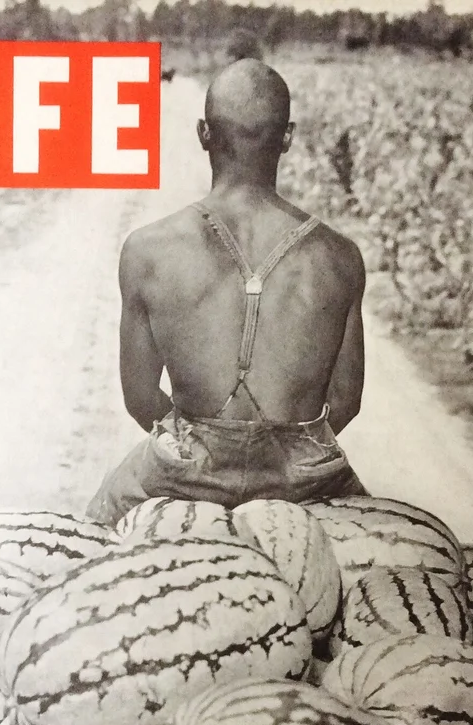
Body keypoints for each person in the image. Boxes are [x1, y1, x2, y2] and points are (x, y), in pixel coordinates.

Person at [87, 59, 368, 526]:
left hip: (183, 474)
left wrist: (208, 445)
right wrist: (277, 452)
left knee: (91, 534)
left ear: (203, 133)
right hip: (302, 478)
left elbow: (139, 398)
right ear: (287, 137)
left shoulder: (147, 249)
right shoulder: (340, 256)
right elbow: (346, 402)